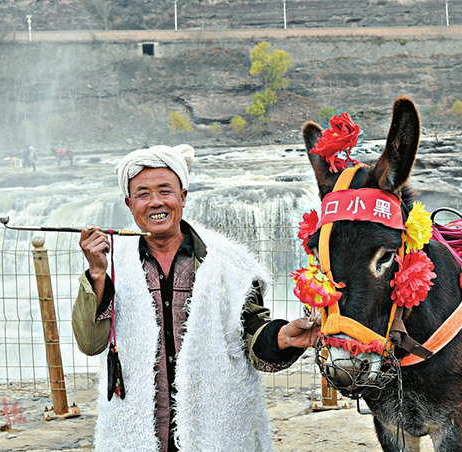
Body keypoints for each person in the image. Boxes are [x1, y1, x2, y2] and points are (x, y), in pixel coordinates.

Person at [72, 144, 318, 452]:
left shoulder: (231, 263)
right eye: (143, 194)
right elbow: (91, 343)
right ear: (129, 203)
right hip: (133, 434)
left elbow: (253, 330)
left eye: (165, 191)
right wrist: (96, 274)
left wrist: (283, 336)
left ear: (183, 197)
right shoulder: (112, 264)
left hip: (219, 432)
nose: (155, 202)